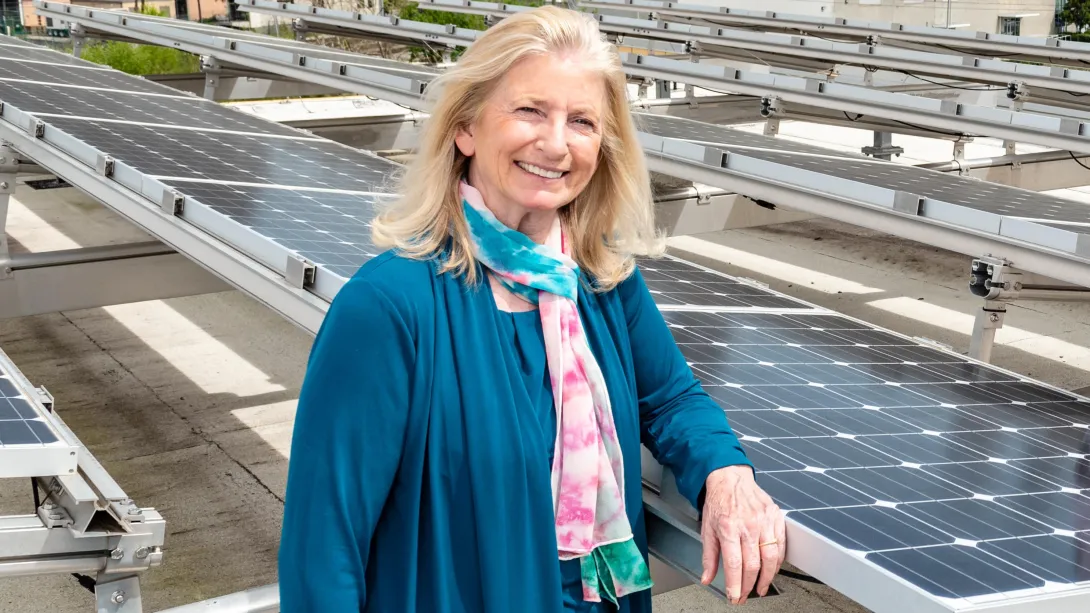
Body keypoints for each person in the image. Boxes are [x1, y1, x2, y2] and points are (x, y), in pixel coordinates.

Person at [278, 6, 785, 612]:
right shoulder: (389, 308)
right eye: (530, 111)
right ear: (466, 129)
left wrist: (726, 475)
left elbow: (672, 399)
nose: (556, 143)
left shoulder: (599, 279)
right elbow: (324, 548)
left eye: (582, 121)